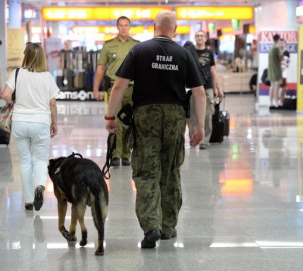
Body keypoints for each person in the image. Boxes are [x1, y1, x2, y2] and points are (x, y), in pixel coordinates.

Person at [104, 10, 206, 249]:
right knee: (170, 171)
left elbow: (119, 85)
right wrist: (199, 126)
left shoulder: (140, 50)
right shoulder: (183, 53)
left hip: (145, 115)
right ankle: (168, 227)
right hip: (174, 116)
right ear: (176, 29)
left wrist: (110, 116)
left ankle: (151, 226)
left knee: (147, 171)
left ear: (153, 26)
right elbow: (199, 92)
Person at [0, 42, 59, 211]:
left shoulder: (17, 73)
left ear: (26, 55)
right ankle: (40, 186)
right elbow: (52, 104)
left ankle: (28, 201)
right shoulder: (46, 76)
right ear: (42, 57)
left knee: (25, 161)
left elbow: (4, 94)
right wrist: (54, 123)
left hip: (20, 122)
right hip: (40, 122)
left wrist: (12, 102)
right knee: (39, 159)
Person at [93, 16, 139, 167]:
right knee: (113, 120)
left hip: (133, 88)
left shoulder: (137, 45)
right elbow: (100, 68)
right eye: (121, 25)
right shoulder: (109, 45)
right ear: (117, 27)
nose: (124, 28)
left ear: (129, 27)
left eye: (126, 25)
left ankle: (126, 154)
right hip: (114, 88)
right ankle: (114, 154)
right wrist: (95, 87)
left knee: (130, 121)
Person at [186, 30, 222, 150]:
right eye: (197, 36)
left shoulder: (209, 53)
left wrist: (217, 88)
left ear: (205, 38)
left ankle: (205, 140)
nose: (199, 38)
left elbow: (213, 71)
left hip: (207, 87)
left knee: (207, 115)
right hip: (192, 87)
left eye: (202, 36)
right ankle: (192, 138)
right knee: (191, 115)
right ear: (195, 38)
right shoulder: (189, 51)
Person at [267, 34, 283, 109]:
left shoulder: (271, 48)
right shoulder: (276, 48)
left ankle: (271, 102)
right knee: (276, 86)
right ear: (278, 40)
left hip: (271, 70)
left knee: (272, 86)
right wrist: (281, 49)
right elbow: (280, 58)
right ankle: (276, 101)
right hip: (276, 70)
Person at [278, 38, 290, 107]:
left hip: (284, 73)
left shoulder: (287, 53)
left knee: (284, 87)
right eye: (280, 43)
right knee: (276, 87)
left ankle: (281, 101)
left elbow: (288, 63)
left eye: (283, 43)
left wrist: (286, 64)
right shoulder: (276, 52)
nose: (282, 44)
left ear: (285, 44)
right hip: (277, 73)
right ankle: (276, 101)